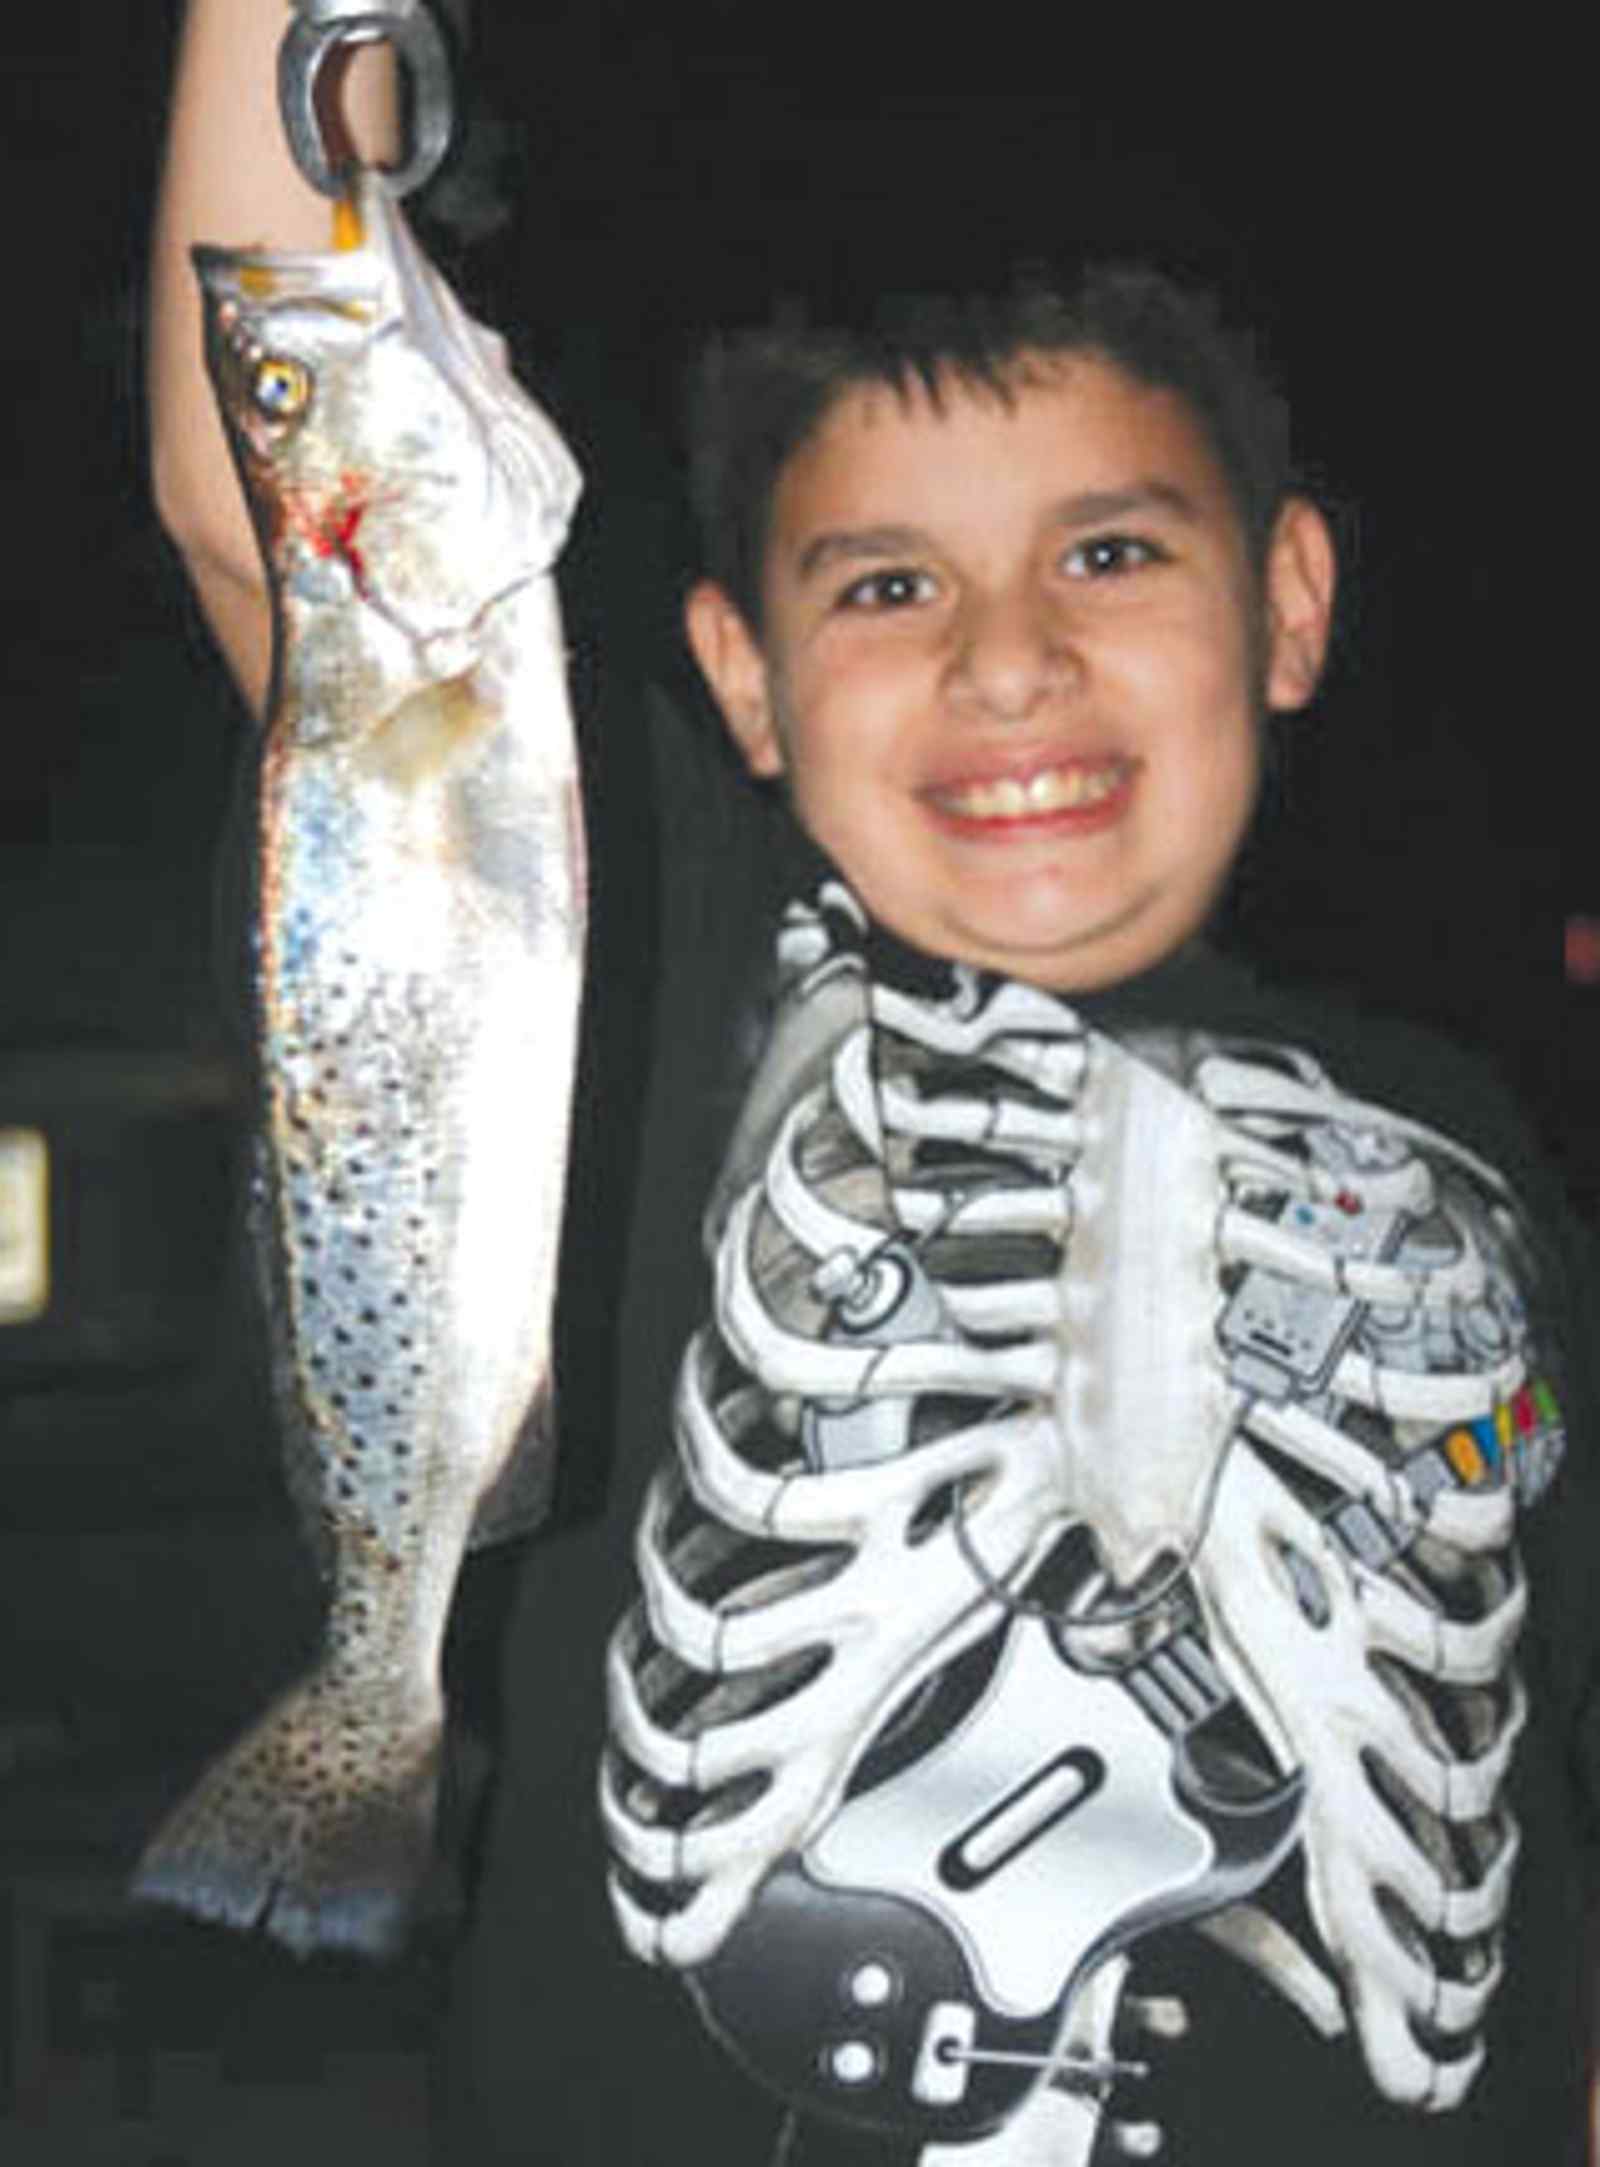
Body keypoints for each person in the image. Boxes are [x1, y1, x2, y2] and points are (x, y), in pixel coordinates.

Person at [152, 9, 1598, 2163]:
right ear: (741, 677)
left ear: (1287, 602)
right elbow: (282, 508)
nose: (1005, 660)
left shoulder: (1476, 1136)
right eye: (887, 585)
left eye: (1109, 552)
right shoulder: (654, 989)